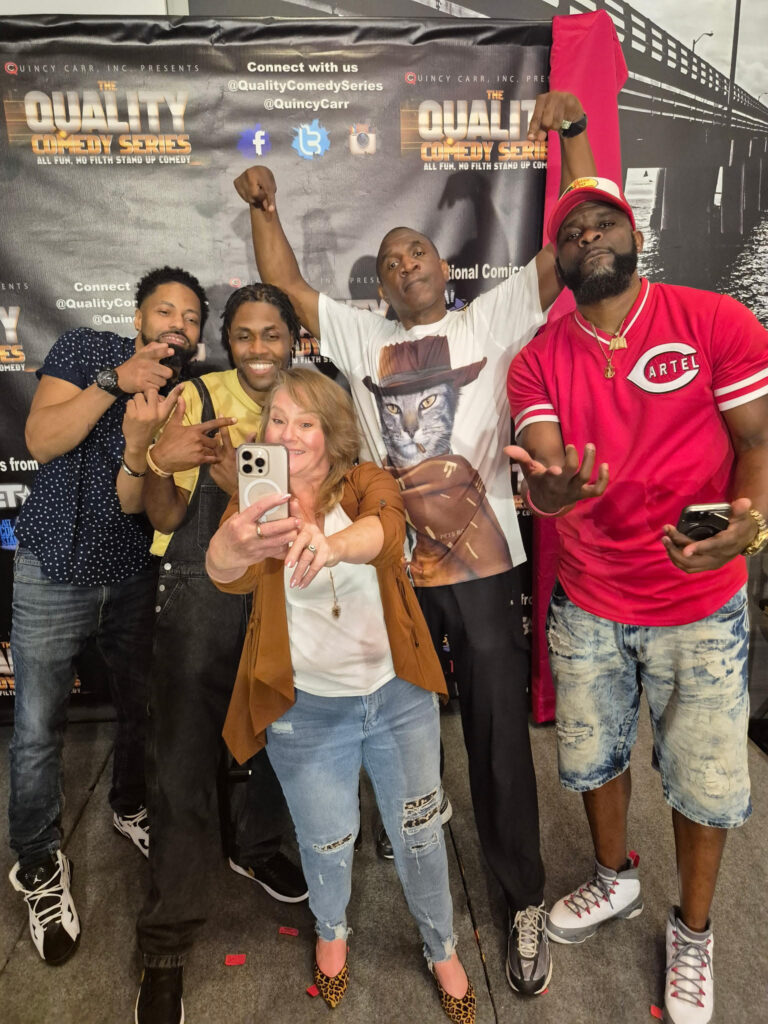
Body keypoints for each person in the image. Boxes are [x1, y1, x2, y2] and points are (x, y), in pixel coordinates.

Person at [231, 89, 597, 995]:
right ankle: (397, 862)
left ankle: (519, 899)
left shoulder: (490, 319)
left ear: (443, 268)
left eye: (418, 252)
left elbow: (572, 242)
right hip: (386, 570)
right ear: (383, 288)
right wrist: (265, 209)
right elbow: (288, 285)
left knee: (498, 740)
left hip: (482, 566)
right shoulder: (360, 334)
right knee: (386, 727)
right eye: (391, 262)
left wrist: (575, 135)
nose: (405, 265)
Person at [506, 176, 768, 1024]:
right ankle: (614, 878)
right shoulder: (537, 359)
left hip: (701, 602)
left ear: (636, 235)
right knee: (594, 758)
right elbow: (545, 466)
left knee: (705, 782)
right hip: (590, 600)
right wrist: (551, 491)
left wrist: (751, 526)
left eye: (603, 221)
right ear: (558, 258)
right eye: (571, 230)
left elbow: (758, 440)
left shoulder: (715, 321)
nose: (587, 235)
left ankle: (693, 931)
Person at [206, 367, 476, 1022]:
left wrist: (328, 546)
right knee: (326, 840)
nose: (288, 434)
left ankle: (441, 945)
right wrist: (229, 546)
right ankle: (331, 932)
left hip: (397, 698)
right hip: (305, 711)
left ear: (331, 432)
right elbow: (225, 574)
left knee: (420, 834)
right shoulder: (254, 504)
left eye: (306, 422)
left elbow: (387, 531)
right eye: (278, 419)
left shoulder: (364, 481)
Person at [8, 266, 205, 965]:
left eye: (190, 318)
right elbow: (40, 441)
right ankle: (37, 862)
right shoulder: (88, 349)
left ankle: (129, 806)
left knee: (142, 707)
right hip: (51, 566)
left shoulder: (189, 395)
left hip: (132, 573)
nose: (177, 325)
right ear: (138, 318)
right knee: (36, 728)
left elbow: (136, 501)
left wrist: (141, 445)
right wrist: (113, 383)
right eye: (165, 311)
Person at [132, 284, 308, 1024]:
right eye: (243, 335)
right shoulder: (198, 397)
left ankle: (257, 844)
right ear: (225, 342)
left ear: (294, 340)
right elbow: (166, 513)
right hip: (201, 585)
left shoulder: (312, 400)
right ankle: (166, 948)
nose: (258, 348)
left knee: (283, 733)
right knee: (181, 761)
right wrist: (158, 459)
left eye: (272, 334)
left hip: (285, 589)